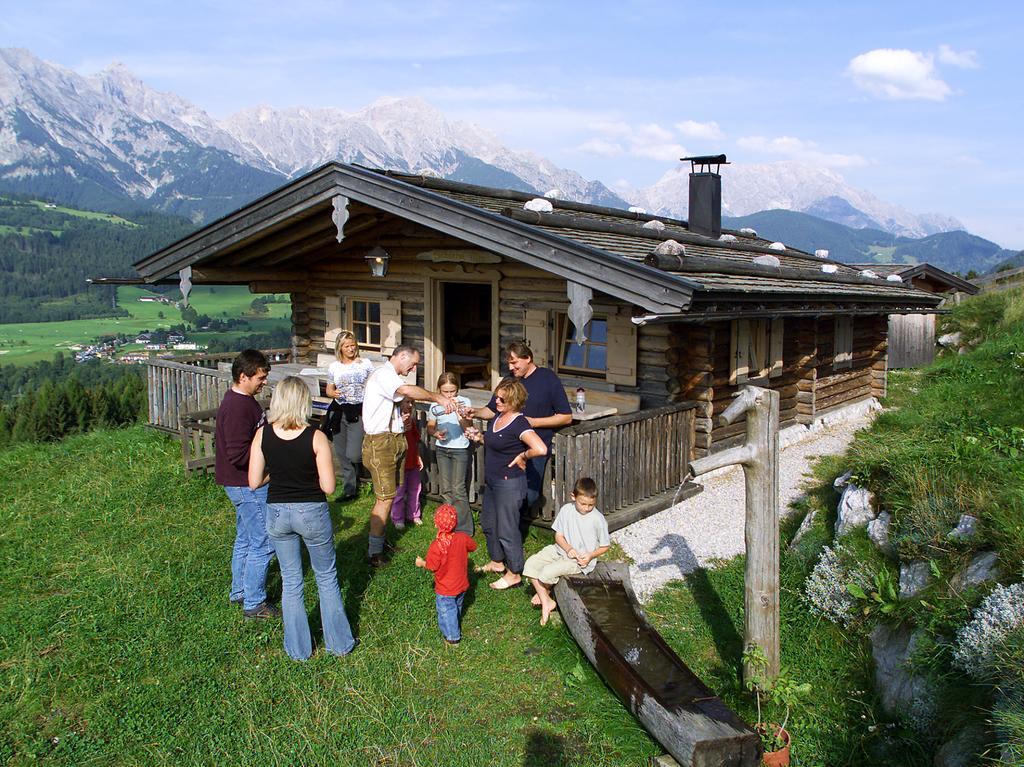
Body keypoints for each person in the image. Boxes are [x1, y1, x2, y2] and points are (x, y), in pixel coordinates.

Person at [248, 377, 356, 661]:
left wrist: (277, 473)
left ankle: (298, 650)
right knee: (326, 577)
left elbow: (253, 481)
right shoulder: (316, 436)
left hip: (278, 513)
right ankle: (339, 644)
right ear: (304, 402)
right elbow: (329, 487)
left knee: (291, 580)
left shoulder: (263, 434)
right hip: (311, 511)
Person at [361, 344, 457, 567]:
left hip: (394, 440)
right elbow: (407, 391)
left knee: (390, 495)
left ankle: (380, 542)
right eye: (412, 363)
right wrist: (438, 398)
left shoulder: (390, 377)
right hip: (381, 443)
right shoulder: (384, 375)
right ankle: (374, 553)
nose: (412, 368)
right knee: (385, 499)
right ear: (401, 356)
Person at [471, 342, 571, 531]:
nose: (510, 368)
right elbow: (492, 410)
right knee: (503, 490)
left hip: (533, 449)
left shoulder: (548, 379)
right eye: (509, 363)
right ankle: (507, 531)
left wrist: (533, 422)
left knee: (530, 495)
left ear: (528, 359)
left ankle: (511, 529)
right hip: (508, 447)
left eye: (514, 363)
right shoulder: (509, 381)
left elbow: (566, 417)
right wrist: (474, 412)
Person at [465, 378, 547, 590]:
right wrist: (479, 437)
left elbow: (540, 448)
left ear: (514, 400)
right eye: (496, 397)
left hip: (509, 484)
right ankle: (497, 562)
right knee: (489, 523)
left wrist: (523, 456)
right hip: (493, 481)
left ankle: (514, 572)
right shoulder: (499, 417)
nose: (497, 401)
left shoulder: (519, 423)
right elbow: (497, 442)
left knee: (507, 529)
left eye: (502, 399)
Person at [214, 348, 278, 620]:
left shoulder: (244, 400)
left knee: (246, 538)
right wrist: (271, 466)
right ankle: (254, 603)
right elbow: (238, 455)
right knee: (264, 542)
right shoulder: (238, 408)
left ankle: (239, 590)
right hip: (247, 485)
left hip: (243, 484)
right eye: (260, 377)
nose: (264, 382)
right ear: (244, 376)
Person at [523, 477, 609, 625]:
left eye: (591, 505)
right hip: (560, 550)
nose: (587, 508)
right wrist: (568, 548)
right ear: (573, 496)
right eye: (583, 504)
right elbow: (558, 536)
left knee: (545, 573)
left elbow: (605, 546)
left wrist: (590, 556)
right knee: (530, 564)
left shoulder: (597, 519)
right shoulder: (566, 510)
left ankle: (544, 592)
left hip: (578, 561)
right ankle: (546, 600)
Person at [415, 504, 478, 644]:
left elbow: (432, 566)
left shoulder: (436, 546)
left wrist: (421, 563)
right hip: (462, 584)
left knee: (447, 610)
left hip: (445, 588)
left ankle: (452, 636)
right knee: (457, 606)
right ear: (455, 522)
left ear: (436, 524)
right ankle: (455, 622)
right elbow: (473, 546)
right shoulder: (462, 538)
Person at [325, 331, 375, 500]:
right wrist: (334, 393)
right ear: (340, 348)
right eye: (347, 346)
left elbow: (374, 383)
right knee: (341, 452)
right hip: (339, 410)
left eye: (353, 345)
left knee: (354, 453)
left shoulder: (365, 364)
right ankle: (349, 489)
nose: (351, 349)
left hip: (358, 409)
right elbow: (329, 389)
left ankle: (368, 477)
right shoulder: (334, 367)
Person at [426, 372, 473, 535]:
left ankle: (464, 529)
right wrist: (435, 433)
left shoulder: (465, 402)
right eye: (445, 391)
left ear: (457, 390)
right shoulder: (435, 406)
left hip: (460, 449)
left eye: (452, 391)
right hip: (442, 449)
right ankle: (448, 524)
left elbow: (468, 427)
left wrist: (459, 412)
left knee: (458, 488)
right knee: (446, 488)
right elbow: (430, 426)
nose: (449, 395)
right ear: (439, 390)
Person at [391, 398, 424, 529]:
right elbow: (393, 441)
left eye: (412, 402)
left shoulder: (411, 420)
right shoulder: (393, 422)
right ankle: (398, 518)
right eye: (407, 402)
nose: (410, 405)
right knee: (399, 492)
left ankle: (414, 515)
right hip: (400, 463)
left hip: (412, 462)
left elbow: (414, 441)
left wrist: (418, 456)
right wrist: (401, 427)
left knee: (415, 490)